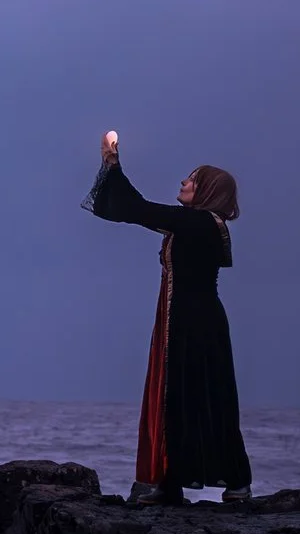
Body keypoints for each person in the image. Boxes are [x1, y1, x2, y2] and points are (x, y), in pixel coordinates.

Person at [84, 130, 253, 505]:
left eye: (192, 180)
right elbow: (140, 213)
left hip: (195, 322)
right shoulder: (198, 224)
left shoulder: (200, 223)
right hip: (191, 317)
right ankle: (176, 481)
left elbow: (140, 209)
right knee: (186, 396)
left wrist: (112, 164)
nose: (183, 182)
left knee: (194, 396)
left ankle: (222, 481)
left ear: (208, 190)